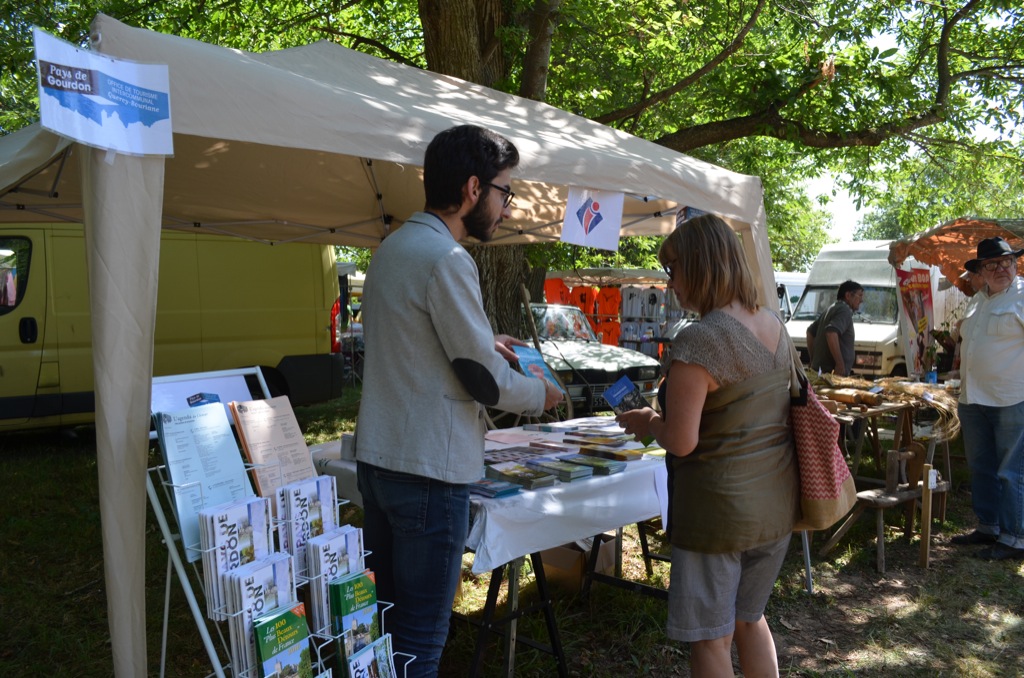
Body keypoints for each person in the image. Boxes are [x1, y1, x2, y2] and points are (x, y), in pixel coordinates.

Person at [353, 124, 562, 677]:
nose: (507, 208)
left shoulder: (394, 248)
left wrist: (484, 340)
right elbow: (485, 382)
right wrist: (541, 394)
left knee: (385, 625)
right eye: (504, 193)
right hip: (428, 473)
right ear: (474, 188)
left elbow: (413, 342)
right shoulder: (447, 258)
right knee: (421, 637)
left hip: (380, 461)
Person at [616, 214, 799, 677]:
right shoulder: (775, 326)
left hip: (717, 516)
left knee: (711, 640)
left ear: (699, 266)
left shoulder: (698, 340)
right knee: (750, 620)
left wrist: (647, 420)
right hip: (775, 508)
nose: (670, 282)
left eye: (674, 269)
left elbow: (680, 439)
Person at [951, 236, 1024, 561]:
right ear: (980, 271)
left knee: (1012, 472)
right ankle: (989, 526)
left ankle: (1015, 538)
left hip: (1012, 399)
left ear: (1015, 263)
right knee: (981, 467)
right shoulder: (978, 300)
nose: (1001, 269)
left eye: (1007, 262)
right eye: (992, 264)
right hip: (973, 399)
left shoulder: (1022, 297)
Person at [806, 280, 864, 376]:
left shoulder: (831, 308)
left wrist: (813, 359)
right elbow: (831, 333)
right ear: (848, 295)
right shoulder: (844, 310)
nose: (861, 300)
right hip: (831, 375)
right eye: (860, 295)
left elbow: (810, 332)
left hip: (821, 373)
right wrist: (840, 363)